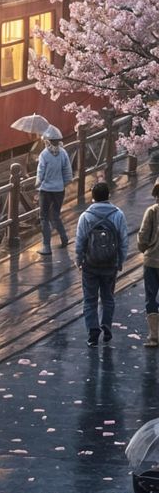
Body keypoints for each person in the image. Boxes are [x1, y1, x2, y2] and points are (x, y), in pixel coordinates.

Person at [74, 177, 127, 343]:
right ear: (109, 195)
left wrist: (79, 260)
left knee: (90, 299)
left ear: (93, 196)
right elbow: (123, 241)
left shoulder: (86, 216)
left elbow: (80, 241)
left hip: (90, 264)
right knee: (108, 297)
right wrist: (120, 261)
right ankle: (107, 326)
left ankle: (92, 332)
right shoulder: (118, 214)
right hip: (110, 263)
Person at [35, 129, 72, 250]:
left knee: (44, 217)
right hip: (59, 190)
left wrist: (37, 184)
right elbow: (67, 172)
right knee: (55, 215)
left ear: (48, 142)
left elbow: (41, 173)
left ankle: (46, 246)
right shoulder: (63, 153)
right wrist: (63, 184)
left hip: (45, 190)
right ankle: (64, 237)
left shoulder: (44, 155)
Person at [139, 183, 159, 350]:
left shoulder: (152, 211)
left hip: (152, 261)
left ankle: (154, 336)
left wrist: (144, 249)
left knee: (151, 297)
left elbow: (143, 237)